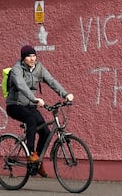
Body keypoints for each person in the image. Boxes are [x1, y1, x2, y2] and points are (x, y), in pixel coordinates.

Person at [6, 45, 74, 178]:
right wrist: (35, 99)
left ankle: (37, 163)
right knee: (31, 120)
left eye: (33, 56)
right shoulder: (17, 70)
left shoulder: (38, 68)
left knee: (45, 132)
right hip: (15, 105)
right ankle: (31, 154)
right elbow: (22, 86)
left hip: (30, 105)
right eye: (28, 56)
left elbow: (51, 81)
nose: (32, 59)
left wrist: (65, 94)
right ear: (23, 58)